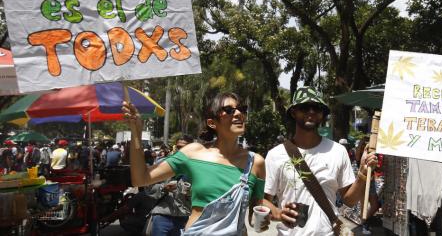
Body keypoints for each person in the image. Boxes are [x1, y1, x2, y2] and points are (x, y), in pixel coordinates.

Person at [123, 92, 266, 235]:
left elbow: (254, 214)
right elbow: (140, 178)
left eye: (242, 109)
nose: (239, 113)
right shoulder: (193, 153)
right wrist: (137, 132)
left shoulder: (255, 162)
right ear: (212, 123)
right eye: (229, 110)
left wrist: (265, 219)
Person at [263, 86, 377, 235]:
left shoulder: (338, 152)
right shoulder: (275, 155)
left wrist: (362, 173)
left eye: (316, 108)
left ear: (322, 114)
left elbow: (349, 201)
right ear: (293, 112)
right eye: (304, 107)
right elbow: (264, 200)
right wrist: (278, 213)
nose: (311, 112)